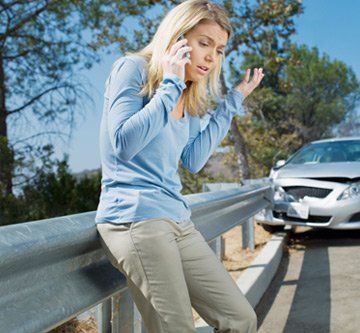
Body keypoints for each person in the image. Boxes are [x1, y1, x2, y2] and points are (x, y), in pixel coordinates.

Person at [94, 1, 264, 332]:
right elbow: (122, 145)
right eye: (204, 43)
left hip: (177, 220)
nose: (212, 57)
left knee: (240, 319)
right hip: (136, 219)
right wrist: (170, 85)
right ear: (177, 37)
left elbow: (194, 159)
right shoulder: (134, 70)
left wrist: (232, 102)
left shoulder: (187, 93)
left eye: (219, 49)